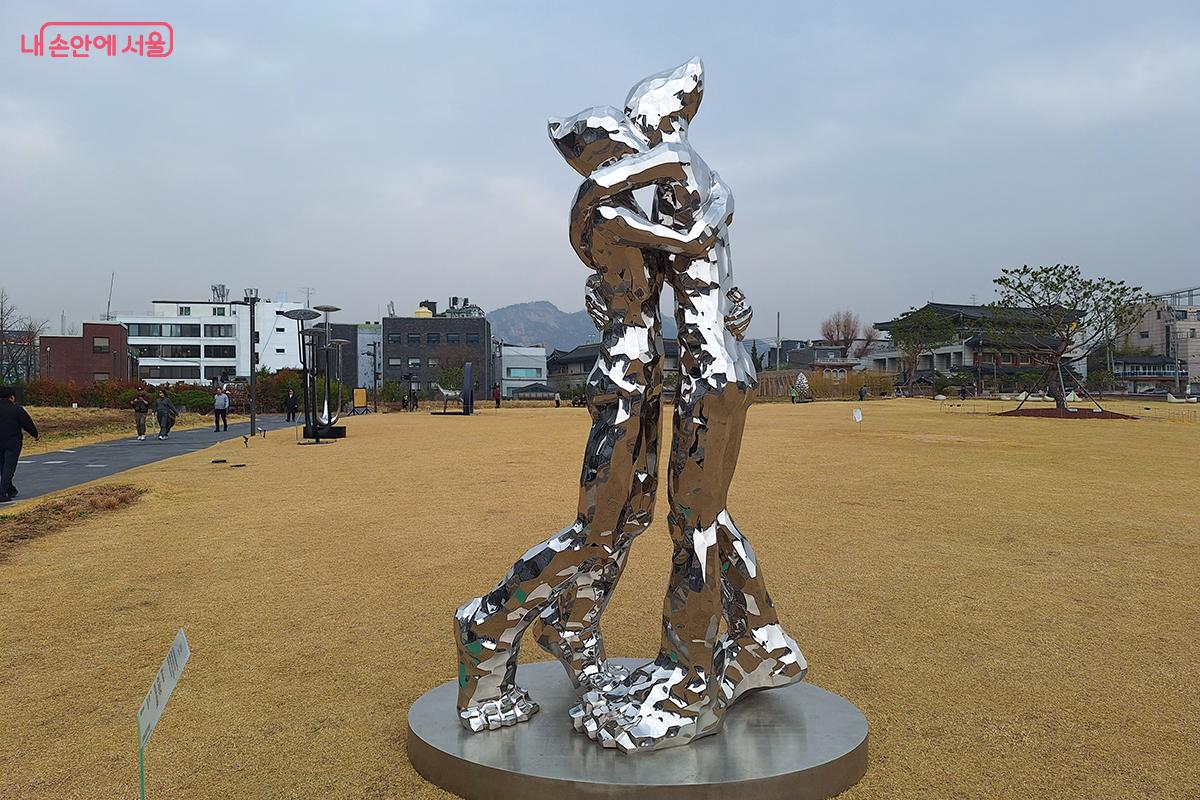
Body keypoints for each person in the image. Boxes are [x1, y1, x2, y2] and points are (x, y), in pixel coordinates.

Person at [0, 387, 38, 502]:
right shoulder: (16, 409)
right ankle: (2, 493)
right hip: (13, 442)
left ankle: (10, 489)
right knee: (9, 467)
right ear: (12, 397)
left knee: (2, 466)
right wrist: (35, 435)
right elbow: (27, 423)